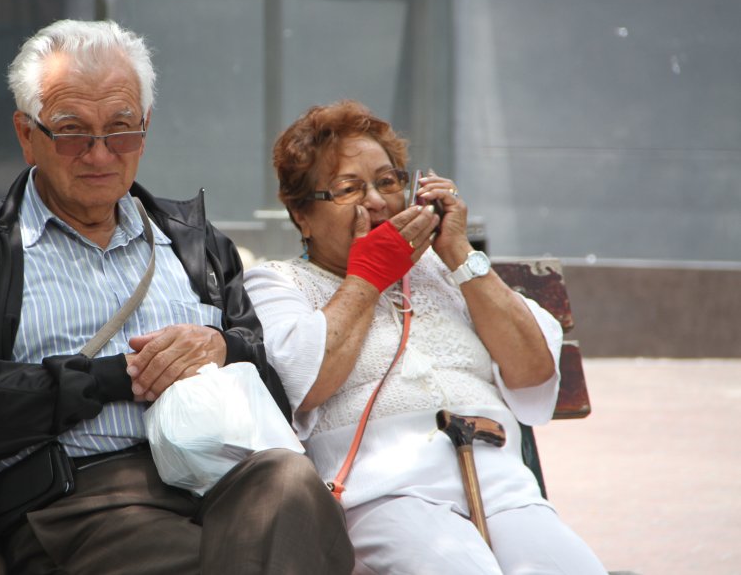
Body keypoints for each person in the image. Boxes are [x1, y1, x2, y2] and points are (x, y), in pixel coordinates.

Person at [0, 20, 352, 575]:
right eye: (72, 132)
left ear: (145, 128)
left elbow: (272, 395)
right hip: (77, 502)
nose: (100, 155)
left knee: (291, 482)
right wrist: (113, 378)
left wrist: (221, 348)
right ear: (27, 134)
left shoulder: (196, 245)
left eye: (121, 130)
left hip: (218, 485)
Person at [243, 100, 607, 574]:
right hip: (383, 495)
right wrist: (367, 279)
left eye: (388, 182)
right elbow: (303, 385)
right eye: (349, 189)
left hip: (503, 488)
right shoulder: (279, 283)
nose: (377, 201)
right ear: (301, 215)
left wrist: (458, 252)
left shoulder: (449, 272)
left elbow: (534, 371)